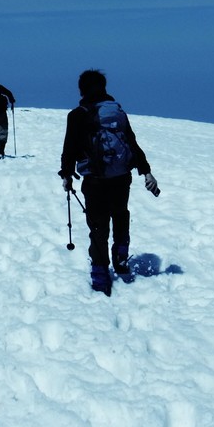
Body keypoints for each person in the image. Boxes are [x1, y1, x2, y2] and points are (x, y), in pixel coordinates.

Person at [59, 69, 160, 296]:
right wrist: (146, 172)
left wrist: (66, 174)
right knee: (120, 213)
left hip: (94, 180)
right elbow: (131, 142)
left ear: (82, 89)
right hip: (121, 177)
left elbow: (70, 148)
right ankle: (121, 256)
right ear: (104, 87)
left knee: (97, 225)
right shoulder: (116, 112)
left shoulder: (77, 115)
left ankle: (100, 274)